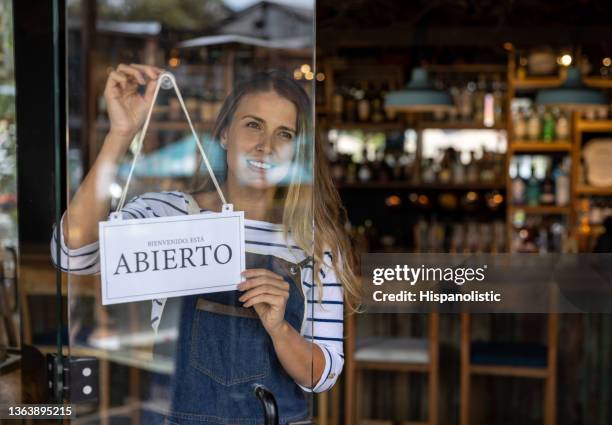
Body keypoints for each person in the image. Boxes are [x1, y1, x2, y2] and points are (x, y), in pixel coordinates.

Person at [50, 64, 359, 424]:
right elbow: (72, 255)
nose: (266, 146)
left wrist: (280, 328)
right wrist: (120, 134)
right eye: (253, 124)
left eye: (285, 134)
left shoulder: (314, 241)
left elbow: (321, 376)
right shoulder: (169, 213)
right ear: (225, 133)